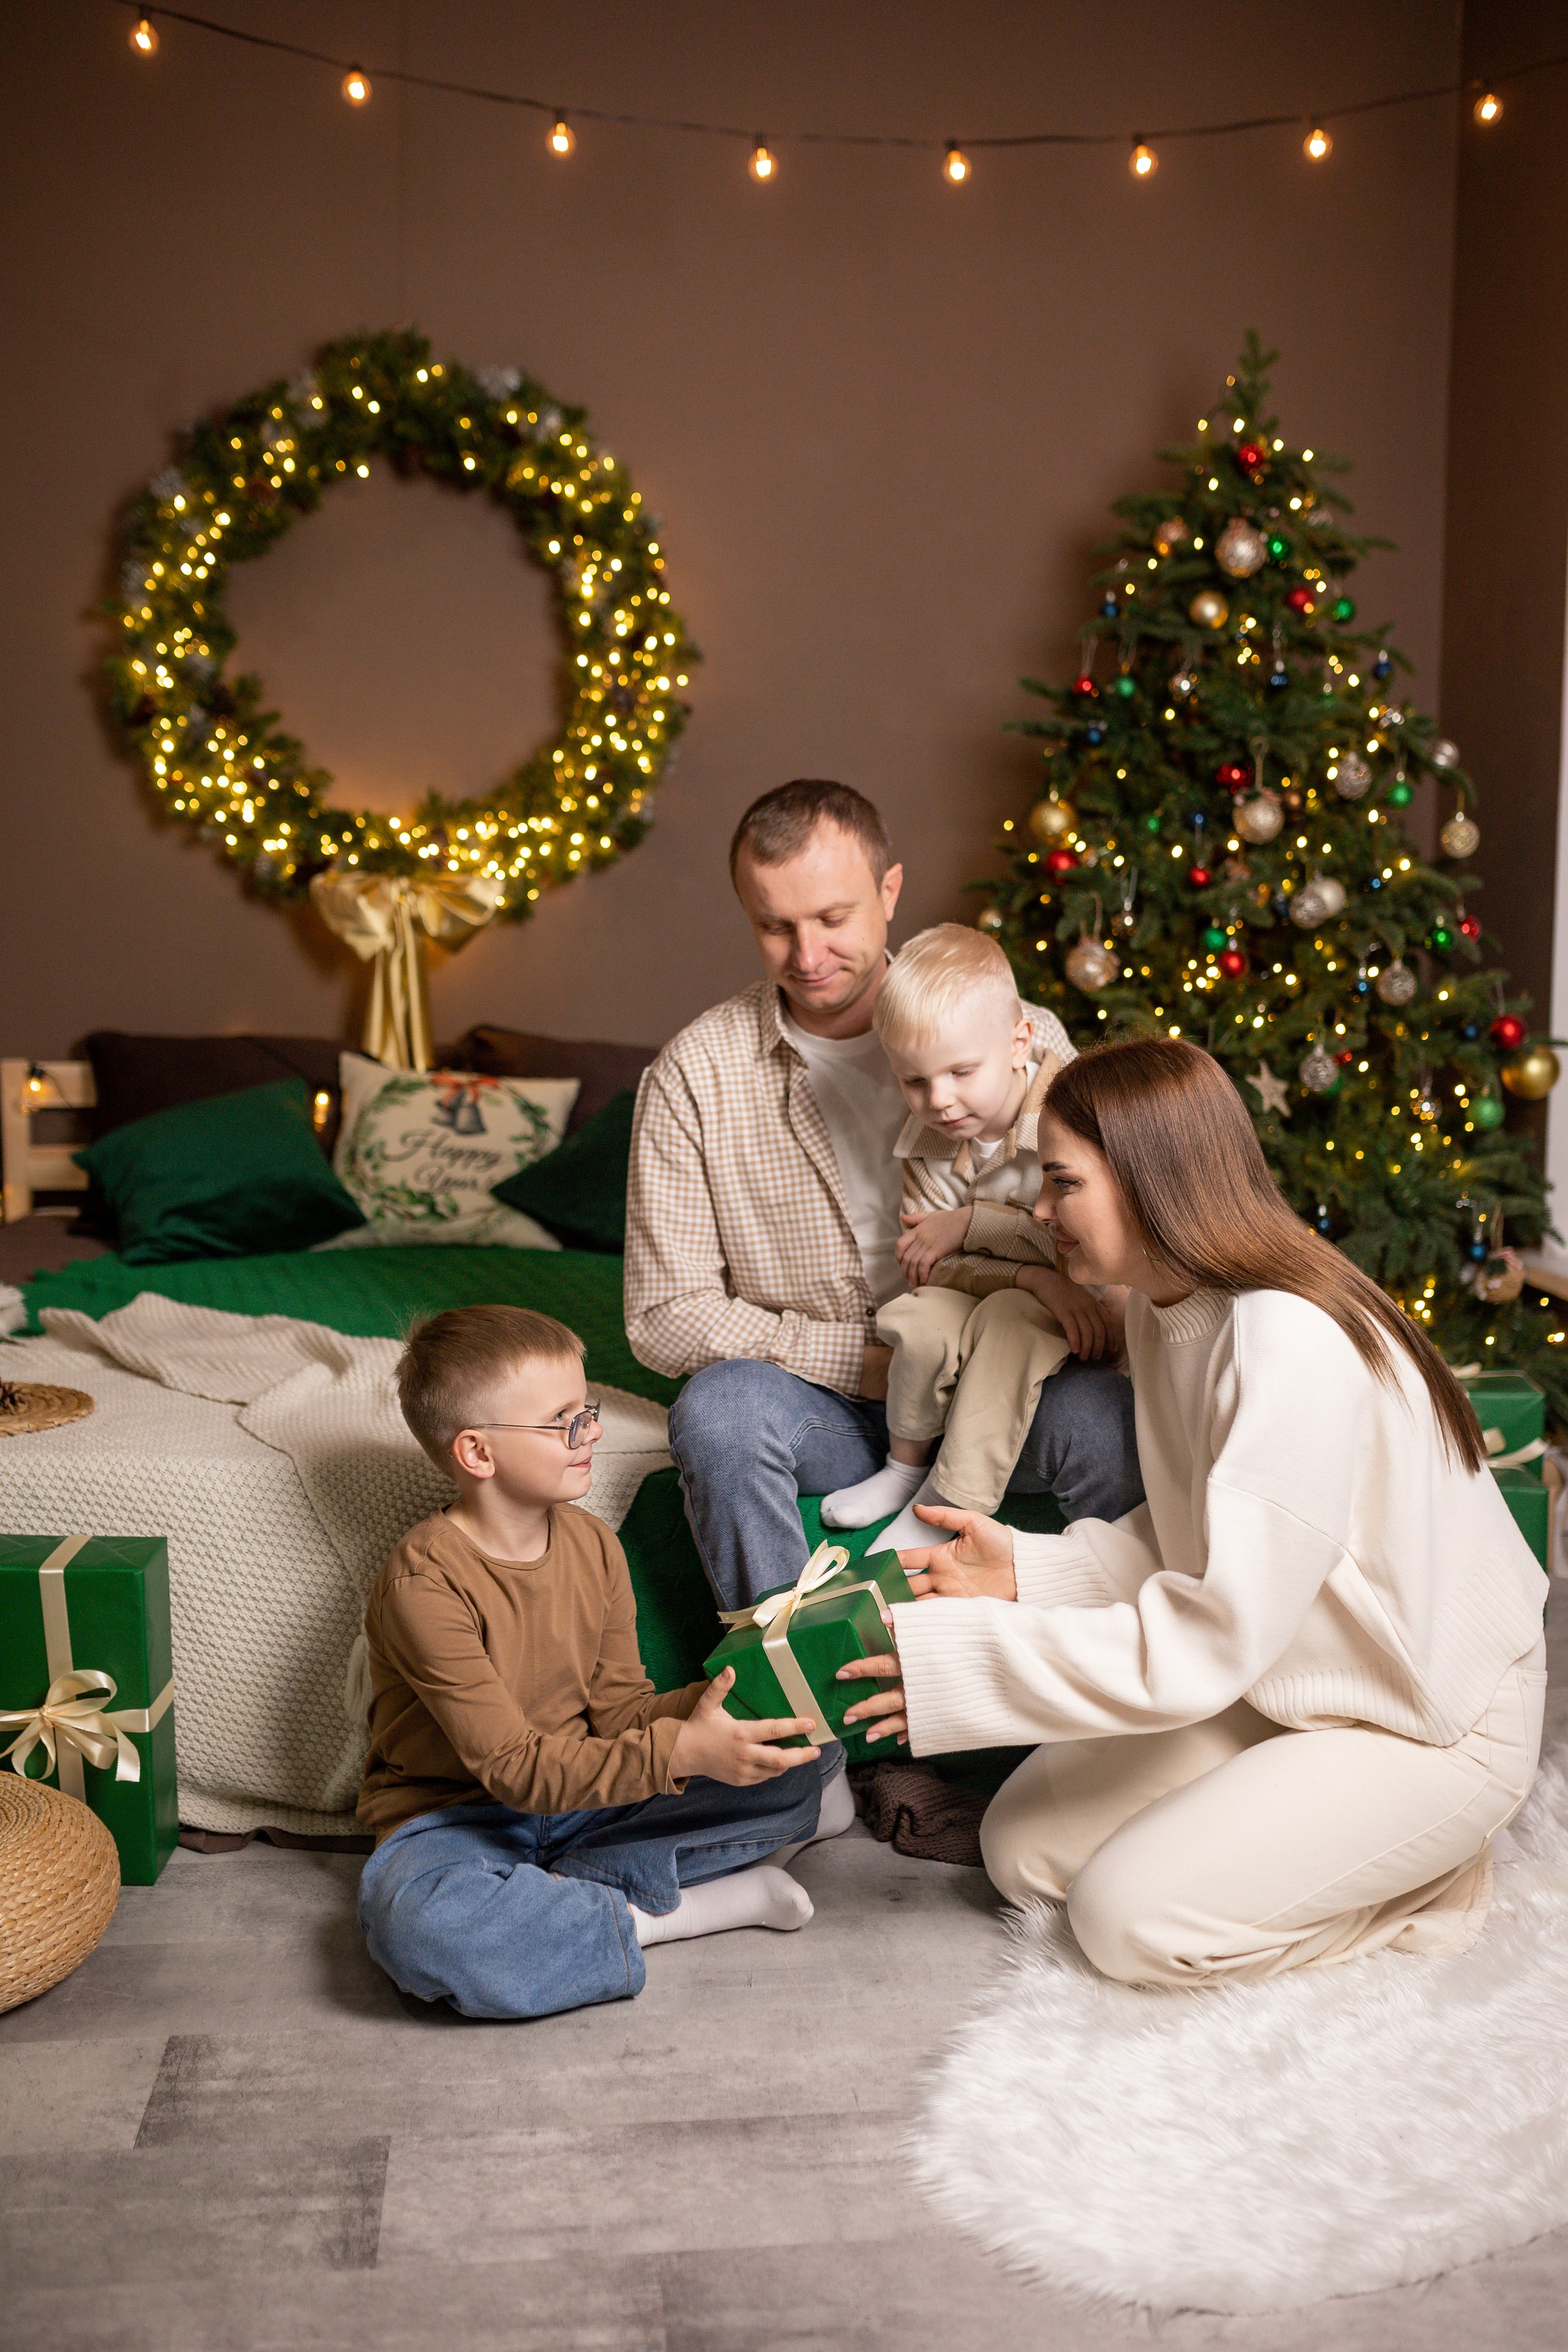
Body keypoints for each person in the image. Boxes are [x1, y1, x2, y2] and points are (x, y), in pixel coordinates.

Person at [838, 1039, 1547, 1987]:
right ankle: (1315, 1836)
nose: (1042, 1212)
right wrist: (1030, 1574)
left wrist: (965, 1662)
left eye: (1062, 1183)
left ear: (1148, 1178)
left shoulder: (1283, 1338)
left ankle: (1426, 1881)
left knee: (1126, 1921)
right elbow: (1203, 1537)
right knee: (1021, 1849)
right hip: (1292, 1677)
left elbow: (1213, 1638)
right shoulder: (1163, 1309)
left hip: (1427, 1720)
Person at [625, 778, 1144, 1609]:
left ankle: (1108, 1699)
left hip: (1002, 1371)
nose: (807, 955)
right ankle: (794, 1700)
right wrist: (868, 1366)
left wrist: (1068, 1298)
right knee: (719, 1413)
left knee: (1110, 1425)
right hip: (831, 1402)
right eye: (774, 926)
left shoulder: (1023, 1037)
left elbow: (1096, 1226)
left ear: (889, 892)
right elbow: (663, 1315)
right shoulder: (695, 1075)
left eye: (832, 918)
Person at [356, 1305, 853, 2021]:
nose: (591, 1432)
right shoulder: (424, 1585)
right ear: (477, 1454)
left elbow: (621, 1715)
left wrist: (722, 1704)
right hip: (456, 1821)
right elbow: (515, 1769)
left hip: (584, 1801)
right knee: (422, 1931)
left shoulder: (594, 1546)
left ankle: (562, 1896)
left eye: (587, 1411)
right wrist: (679, 1750)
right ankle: (668, 1914)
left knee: (789, 1772)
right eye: (564, 1422)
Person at [820, 922, 1122, 1555]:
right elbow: (927, 1264)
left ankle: (949, 1501)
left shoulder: (1069, 1115)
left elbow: (1082, 1246)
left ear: (1019, 1043)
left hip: (1080, 1306)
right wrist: (1024, 1271)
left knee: (1012, 1320)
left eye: (961, 1071)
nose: (940, 1101)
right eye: (915, 1081)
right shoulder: (926, 1141)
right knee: (920, 1315)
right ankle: (903, 1469)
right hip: (1016, 1287)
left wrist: (969, 1225)